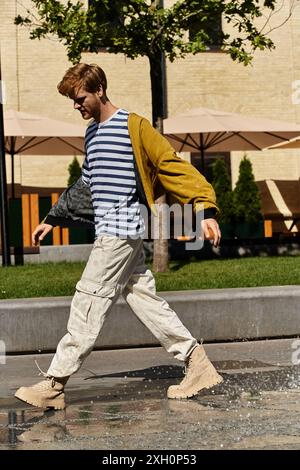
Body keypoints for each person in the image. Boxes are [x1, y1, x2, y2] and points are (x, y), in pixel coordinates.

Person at [15, 63, 223, 410]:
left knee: (89, 298)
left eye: (79, 98)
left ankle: (54, 383)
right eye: (72, 99)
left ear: (100, 90)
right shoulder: (92, 134)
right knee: (144, 300)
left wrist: (204, 210)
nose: (76, 105)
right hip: (112, 232)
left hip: (121, 230)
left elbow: (171, 164)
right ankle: (196, 362)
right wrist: (54, 217)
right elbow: (88, 183)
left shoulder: (134, 126)